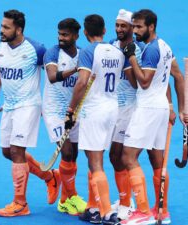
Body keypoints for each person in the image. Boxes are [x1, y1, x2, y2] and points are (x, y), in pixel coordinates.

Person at [0, 9, 60, 217]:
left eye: (6, 27)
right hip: (9, 105)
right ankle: (49, 177)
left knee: (17, 151)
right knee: (7, 152)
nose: (2, 30)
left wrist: (48, 106)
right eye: (2, 26)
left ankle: (20, 203)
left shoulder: (36, 49)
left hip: (29, 105)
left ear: (19, 30)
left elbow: (51, 76)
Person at [120, 9, 184, 225]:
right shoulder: (165, 47)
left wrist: (130, 57)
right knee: (156, 160)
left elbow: (144, 82)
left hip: (147, 109)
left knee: (127, 157)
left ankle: (143, 212)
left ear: (151, 27)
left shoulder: (151, 50)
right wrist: (180, 108)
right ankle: (162, 212)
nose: (134, 31)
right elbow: (179, 76)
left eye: (139, 27)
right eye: (134, 26)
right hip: (161, 109)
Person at [66, 14, 131, 225]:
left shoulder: (87, 51)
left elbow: (82, 82)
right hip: (112, 109)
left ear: (85, 33)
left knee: (95, 163)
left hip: (93, 110)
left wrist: (70, 110)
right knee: (95, 159)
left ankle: (106, 213)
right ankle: (92, 208)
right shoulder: (117, 51)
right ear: (104, 31)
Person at [42, 18, 87, 216]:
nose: (61, 38)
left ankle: (64, 200)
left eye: (65, 35)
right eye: (59, 34)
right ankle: (74, 196)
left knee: (73, 155)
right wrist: (76, 69)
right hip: (54, 111)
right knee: (66, 152)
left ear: (76, 36)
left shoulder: (83, 53)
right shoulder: (52, 53)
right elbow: (52, 77)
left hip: (74, 111)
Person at [108, 9, 144, 221]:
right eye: (117, 25)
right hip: (112, 108)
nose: (119, 29)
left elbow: (138, 84)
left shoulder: (138, 50)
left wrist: (128, 59)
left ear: (132, 27)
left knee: (121, 156)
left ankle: (127, 205)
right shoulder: (111, 46)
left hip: (130, 109)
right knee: (114, 157)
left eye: (124, 26)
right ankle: (125, 201)